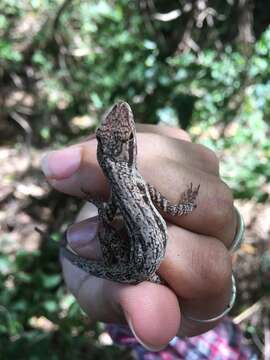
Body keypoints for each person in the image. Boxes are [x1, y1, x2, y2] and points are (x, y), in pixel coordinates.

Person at [41, 123, 257, 359]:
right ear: (132, 149)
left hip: (146, 271)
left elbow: (112, 214)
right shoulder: (140, 185)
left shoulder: (123, 189)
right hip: (146, 271)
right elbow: (173, 208)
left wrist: (99, 208)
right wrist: (188, 203)